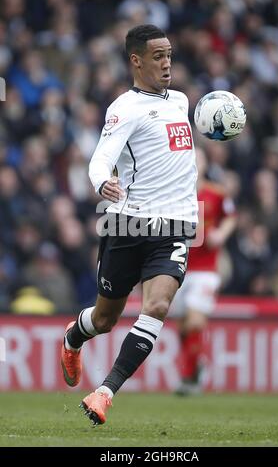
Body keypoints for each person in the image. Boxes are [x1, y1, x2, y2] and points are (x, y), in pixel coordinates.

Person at [60, 24, 198, 425]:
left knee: (157, 305)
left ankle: (104, 393)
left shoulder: (182, 101)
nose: (167, 62)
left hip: (175, 226)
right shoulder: (124, 107)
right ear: (136, 60)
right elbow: (100, 158)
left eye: (169, 54)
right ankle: (73, 337)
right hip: (129, 225)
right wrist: (102, 181)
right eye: (158, 56)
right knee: (105, 319)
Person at [172, 150, 237, 395]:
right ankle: (194, 370)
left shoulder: (216, 193)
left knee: (195, 321)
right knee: (182, 326)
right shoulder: (175, 194)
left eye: (198, 160)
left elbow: (231, 217)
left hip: (206, 269)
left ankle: (190, 377)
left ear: (205, 164)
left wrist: (221, 234)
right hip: (178, 267)